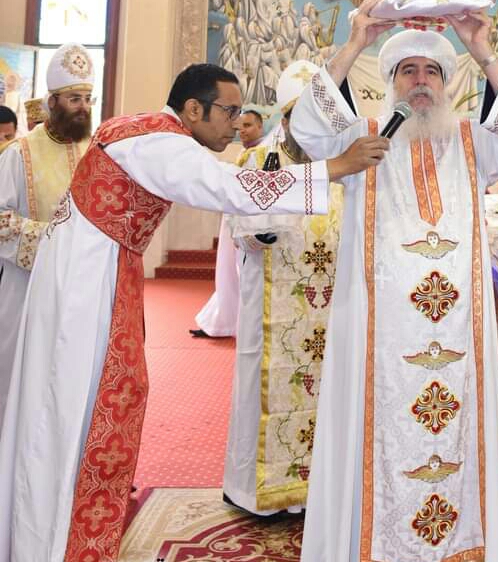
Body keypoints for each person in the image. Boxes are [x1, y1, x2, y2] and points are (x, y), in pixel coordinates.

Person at [0, 62, 388, 562]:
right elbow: (229, 187)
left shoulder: (146, 129)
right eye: (228, 111)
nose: (236, 124)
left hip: (92, 269)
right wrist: (336, 167)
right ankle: (55, 542)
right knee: (79, 405)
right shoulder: (160, 142)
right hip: (86, 283)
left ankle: (59, 534)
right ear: (193, 108)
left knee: (85, 400)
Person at [291, 0, 498, 562]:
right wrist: (356, 43)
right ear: (391, 82)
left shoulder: (475, 142)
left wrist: (480, 48)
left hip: (458, 334)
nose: (421, 81)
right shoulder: (363, 138)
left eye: (432, 72)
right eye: (408, 71)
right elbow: (307, 126)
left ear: (447, 85)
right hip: (377, 333)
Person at [223, 60, 341, 516]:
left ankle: (321, 489)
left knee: (330, 390)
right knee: (263, 384)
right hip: (273, 301)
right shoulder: (258, 161)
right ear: (286, 119)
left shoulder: (341, 164)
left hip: (332, 304)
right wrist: (260, 233)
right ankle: (258, 494)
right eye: (299, 117)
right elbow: (236, 225)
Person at [0, 44, 95, 418]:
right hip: (27, 286)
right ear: (53, 101)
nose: (83, 107)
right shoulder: (18, 153)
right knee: (20, 376)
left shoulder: (95, 154)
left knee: (69, 380)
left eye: (87, 98)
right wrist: (52, 241)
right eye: (74, 99)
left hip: (80, 286)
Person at [191, 108, 268, 340]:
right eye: (239, 126)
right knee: (227, 273)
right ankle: (222, 322)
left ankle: (238, 324)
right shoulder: (247, 153)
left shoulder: (266, 153)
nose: (242, 131)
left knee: (242, 274)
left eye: (248, 125)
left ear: (260, 126)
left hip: (249, 224)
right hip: (233, 220)